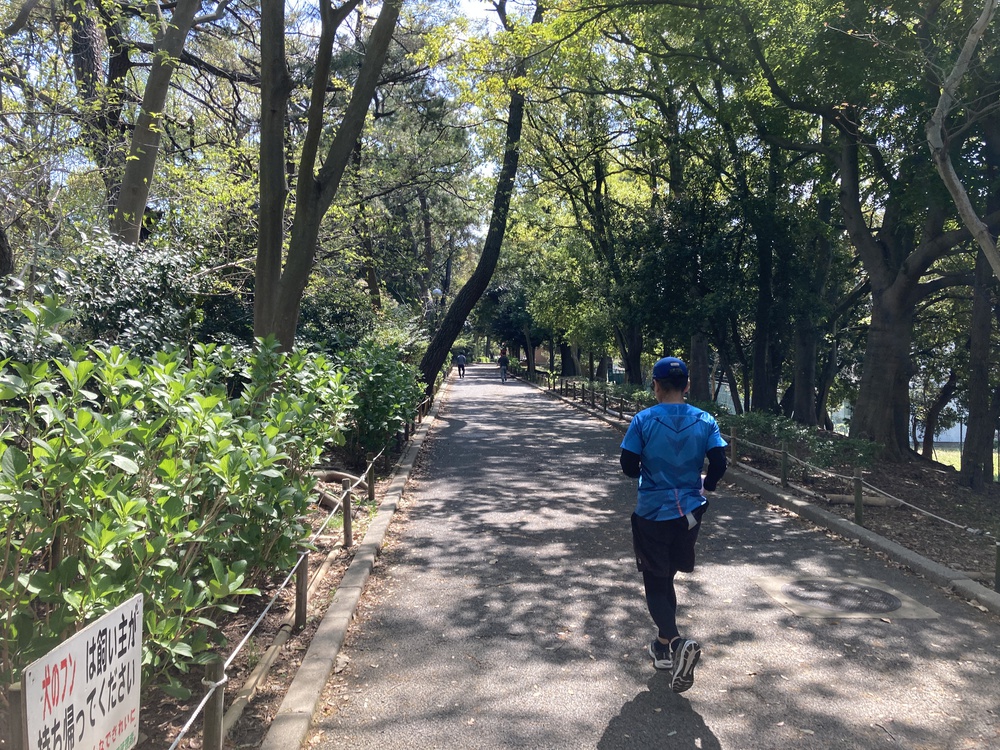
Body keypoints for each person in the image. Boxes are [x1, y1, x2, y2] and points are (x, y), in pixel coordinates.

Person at [619, 356, 727, 693]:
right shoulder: (705, 419)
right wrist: (705, 486)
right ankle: (663, 648)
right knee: (667, 577)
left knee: (655, 580)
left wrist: (647, 474)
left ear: (656, 385)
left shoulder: (643, 420)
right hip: (690, 513)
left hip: (652, 511)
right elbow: (720, 463)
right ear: (687, 386)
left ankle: (679, 644)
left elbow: (627, 465)